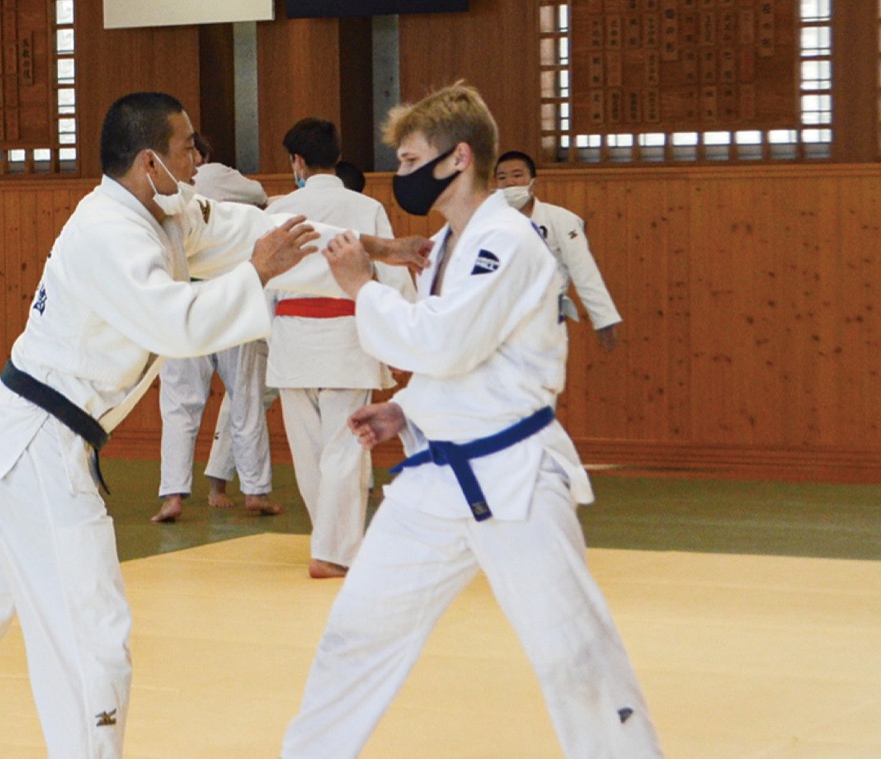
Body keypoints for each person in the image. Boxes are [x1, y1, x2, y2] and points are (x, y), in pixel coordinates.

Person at [0, 91, 427, 758]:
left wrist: (377, 248)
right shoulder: (106, 232)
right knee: (92, 643)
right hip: (33, 451)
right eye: (187, 147)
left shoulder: (166, 212)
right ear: (149, 161)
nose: (197, 159)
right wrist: (256, 273)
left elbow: (266, 231)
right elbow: (176, 323)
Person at [281, 84, 662, 758]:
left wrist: (360, 286)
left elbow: (444, 342)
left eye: (410, 160)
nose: (401, 174)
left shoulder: (505, 241)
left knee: (574, 655)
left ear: (458, 158)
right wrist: (406, 408)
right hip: (435, 480)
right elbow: (458, 355)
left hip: (514, 477)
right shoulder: (446, 244)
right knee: (355, 636)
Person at [267, 117, 413, 579]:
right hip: (349, 337)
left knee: (309, 453)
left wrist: (267, 333)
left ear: (297, 161)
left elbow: (261, 281)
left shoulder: (275, 210)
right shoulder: (365, 208)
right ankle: (332, 551)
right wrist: (403, 340)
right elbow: (393, 275)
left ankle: (328, 545)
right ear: (337, 157)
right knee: (345, 449)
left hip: (291, 337)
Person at [151, 134, 279, 523]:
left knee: (179, 405)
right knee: (247, 399)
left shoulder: (160, 191)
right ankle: (255, 491)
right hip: (229, 300)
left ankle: (173, 496)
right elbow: (260, 194)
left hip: (184, 303)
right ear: (202, 156)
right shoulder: (215, 173)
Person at [494, 150, 622, 351]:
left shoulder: (560, 219)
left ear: (533, 183)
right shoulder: (489, 222)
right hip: (499, 317)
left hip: (545, 315)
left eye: (517, 175)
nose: (510, 182)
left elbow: (584, 270)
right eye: (502, 177)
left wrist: (603, 319)